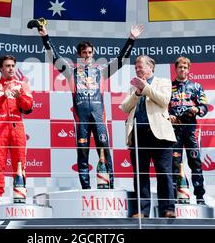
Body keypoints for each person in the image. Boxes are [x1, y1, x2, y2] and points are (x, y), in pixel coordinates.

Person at [37, 24, 144, 189]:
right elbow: (55, 57)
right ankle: (86, 189)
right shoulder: (71, 72)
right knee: (82, 155)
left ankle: (110, 186)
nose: (87, 55)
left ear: (93, 54)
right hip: (82, 122)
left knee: (105, 152)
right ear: (79, 55)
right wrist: (45, 36)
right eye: (84, 53)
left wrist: (131, 39)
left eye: (89, 53)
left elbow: (121, 60)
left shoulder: (101, 71)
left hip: (99, 118)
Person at [120, 56, 176, 218]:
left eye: (140, 67)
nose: (137, 70)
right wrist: (137, 92)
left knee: (164, 173)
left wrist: (145, 88)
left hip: (160, 135)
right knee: (140, 174)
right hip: (138, 135)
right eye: (136, 67)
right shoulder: (133, 87)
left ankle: (168, 209)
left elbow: (164, 100)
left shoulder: (163, 82)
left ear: (151, 67)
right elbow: (124, 107)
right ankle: (142, 211)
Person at [0, 55, 33, 204]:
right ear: (1, 68)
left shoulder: (22, 85)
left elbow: (28, 106)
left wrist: (19, 98)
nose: (11, 68)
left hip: (17, 125)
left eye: (12, 65)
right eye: (7, 66)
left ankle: (19, 193)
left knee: (19, 162)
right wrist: (2, 97)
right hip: (0, 126)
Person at [169, 56, 208, 204]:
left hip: (191, 130)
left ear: (189, 69)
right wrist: (169, 115)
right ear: (176, 69)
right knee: (174, 163)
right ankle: (173, 197)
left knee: (195, 163)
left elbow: (205, 107)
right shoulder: (168, 86)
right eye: (180, 67)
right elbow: (162, 108)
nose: (182, 70)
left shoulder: (196, 86)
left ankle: (200, 197)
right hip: (174, 130)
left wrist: (196, 109)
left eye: (185, 67)